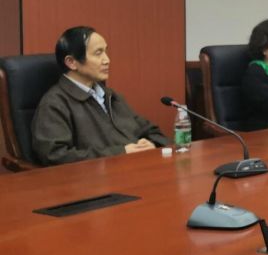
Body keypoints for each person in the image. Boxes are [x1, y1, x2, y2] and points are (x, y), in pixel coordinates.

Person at [32, 26, 169, 165]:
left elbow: (151, 131)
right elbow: (55, 155)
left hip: (136, 168)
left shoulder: (110, 96)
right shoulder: (54, 103)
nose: (107, 60)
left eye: (105, 51)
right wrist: (121, 153)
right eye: (98, 53)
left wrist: (151, 144)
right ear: (71, 62)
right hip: (98, 176)